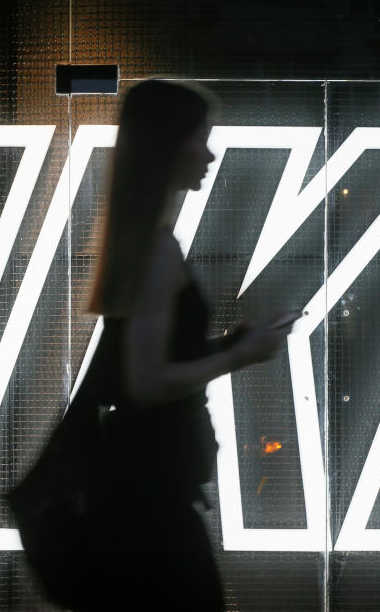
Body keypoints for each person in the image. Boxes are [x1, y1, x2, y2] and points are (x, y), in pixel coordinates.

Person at [78, 79, 297, 611]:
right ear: (169, 145)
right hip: (151, 502)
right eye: (201, 138)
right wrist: (239, 355)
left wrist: (223, 345)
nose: (211, 153)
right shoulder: (156, 251)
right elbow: (147, 383)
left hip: (142, 494)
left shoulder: (135, 242)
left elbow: (145, 363)